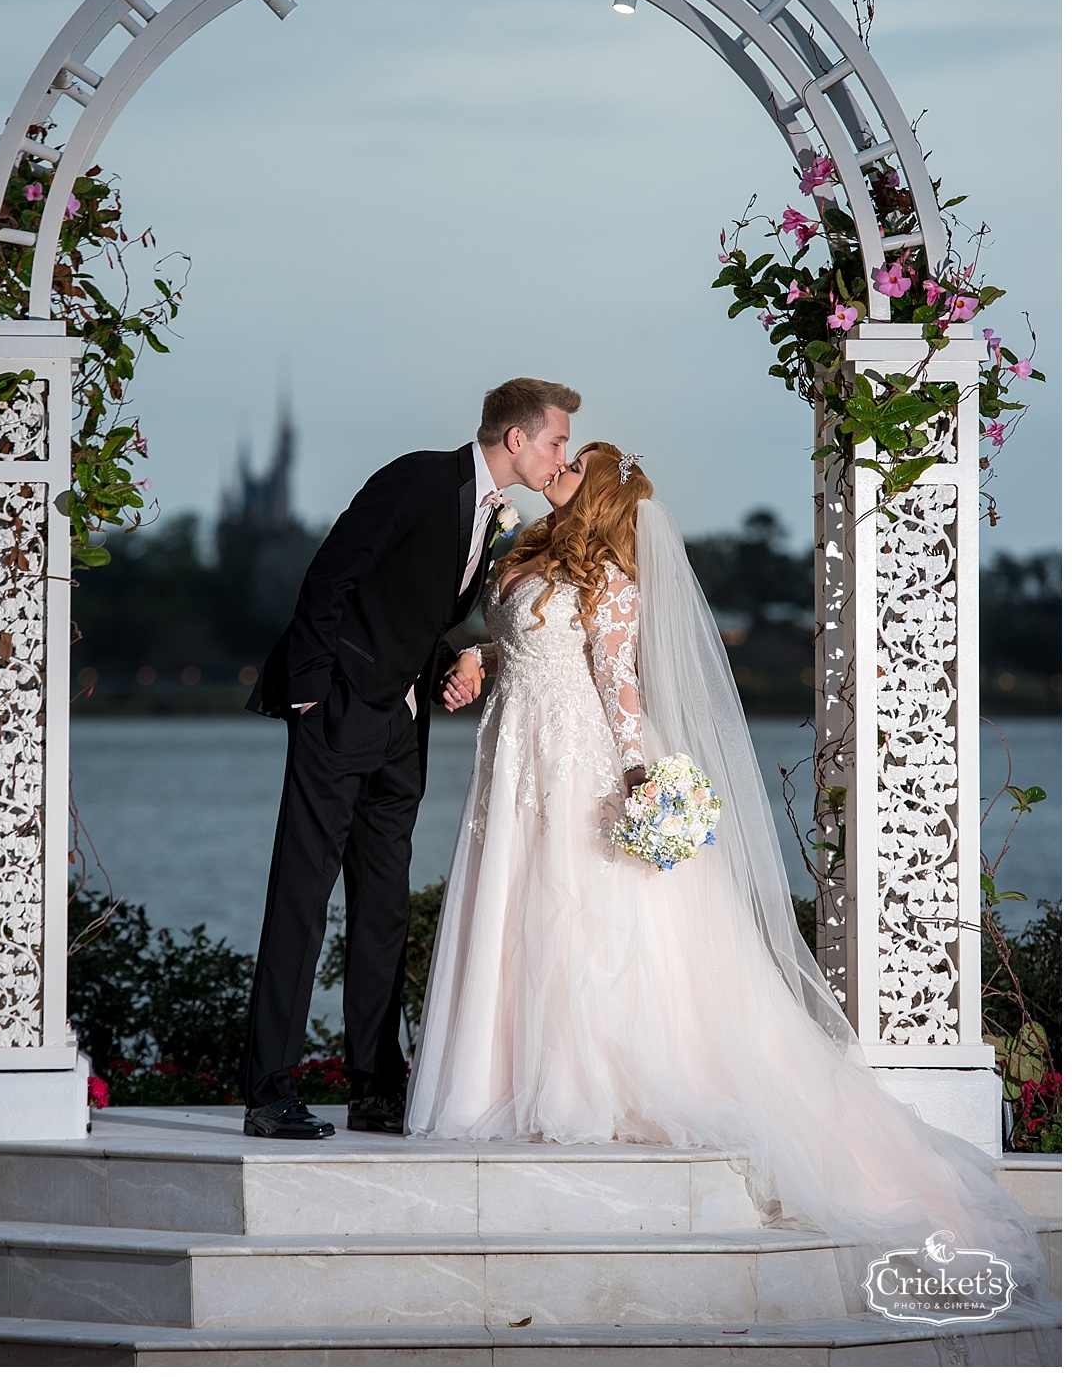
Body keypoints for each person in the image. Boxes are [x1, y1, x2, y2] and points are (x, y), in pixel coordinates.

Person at [407, 443, 1050, 1298]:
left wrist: (643, 779)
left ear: (595, 494)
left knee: (579, 917)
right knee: (516, 911)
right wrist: (481, 656)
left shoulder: (613, 579)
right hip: (517, 760)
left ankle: (577, 1086)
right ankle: (500, 1073)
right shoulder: (527, 550)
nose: (558, 468)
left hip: (579, 767)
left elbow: (618, 685)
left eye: (574, 466)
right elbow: (516, 637)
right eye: (562, 457)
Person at [240, 378, 580, 1138]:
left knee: (384, 907)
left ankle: (376, 1089)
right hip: (335, 709)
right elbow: (332, 573)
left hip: (401, 726)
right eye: (556, 441)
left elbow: (424, 612)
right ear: (517, 438)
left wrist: (445, 671)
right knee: (302, 897)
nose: (561, 456)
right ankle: (268, 1094)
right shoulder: (419, 477)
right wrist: (308, 694)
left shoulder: (501, 515)